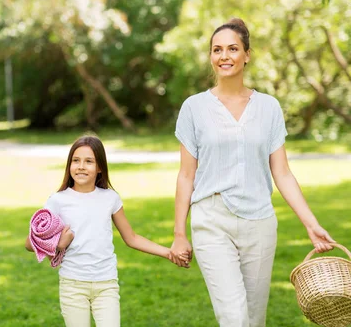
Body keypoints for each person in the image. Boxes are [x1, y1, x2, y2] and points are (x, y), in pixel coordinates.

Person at [168, 18, 335, 327]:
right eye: (217, 49)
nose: (224, 56)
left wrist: (311, 224)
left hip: (259, 222)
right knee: (234, 318)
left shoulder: (268, 107)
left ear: (247, 55)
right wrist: (180, 233)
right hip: (211, 220)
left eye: (233, 48)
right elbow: (185, 175)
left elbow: (282, 173)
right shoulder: (194, 108)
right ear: (210, 56)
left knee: (254, 319)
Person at [26, 135, 185, 327]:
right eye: (76, 161)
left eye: (89, 161)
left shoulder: (110, 198)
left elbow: (131, 237)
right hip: (73, 284)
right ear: (69, 166)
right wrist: (58, 244)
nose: (81, 166)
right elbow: (29, 243)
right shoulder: (58, 201)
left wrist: (168, 253)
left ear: (100, 167)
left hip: (106, 283)